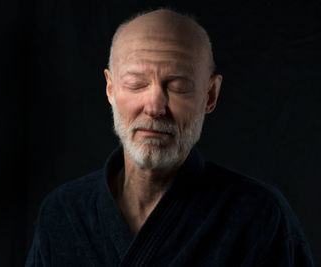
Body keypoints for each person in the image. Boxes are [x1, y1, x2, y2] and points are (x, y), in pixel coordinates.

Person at [26, 8, 314, 266]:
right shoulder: (63, 213)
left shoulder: (258, 216)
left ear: (210, 95)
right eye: (136, 84)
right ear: (110, 89)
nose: (154, 107)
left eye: (177, 86)